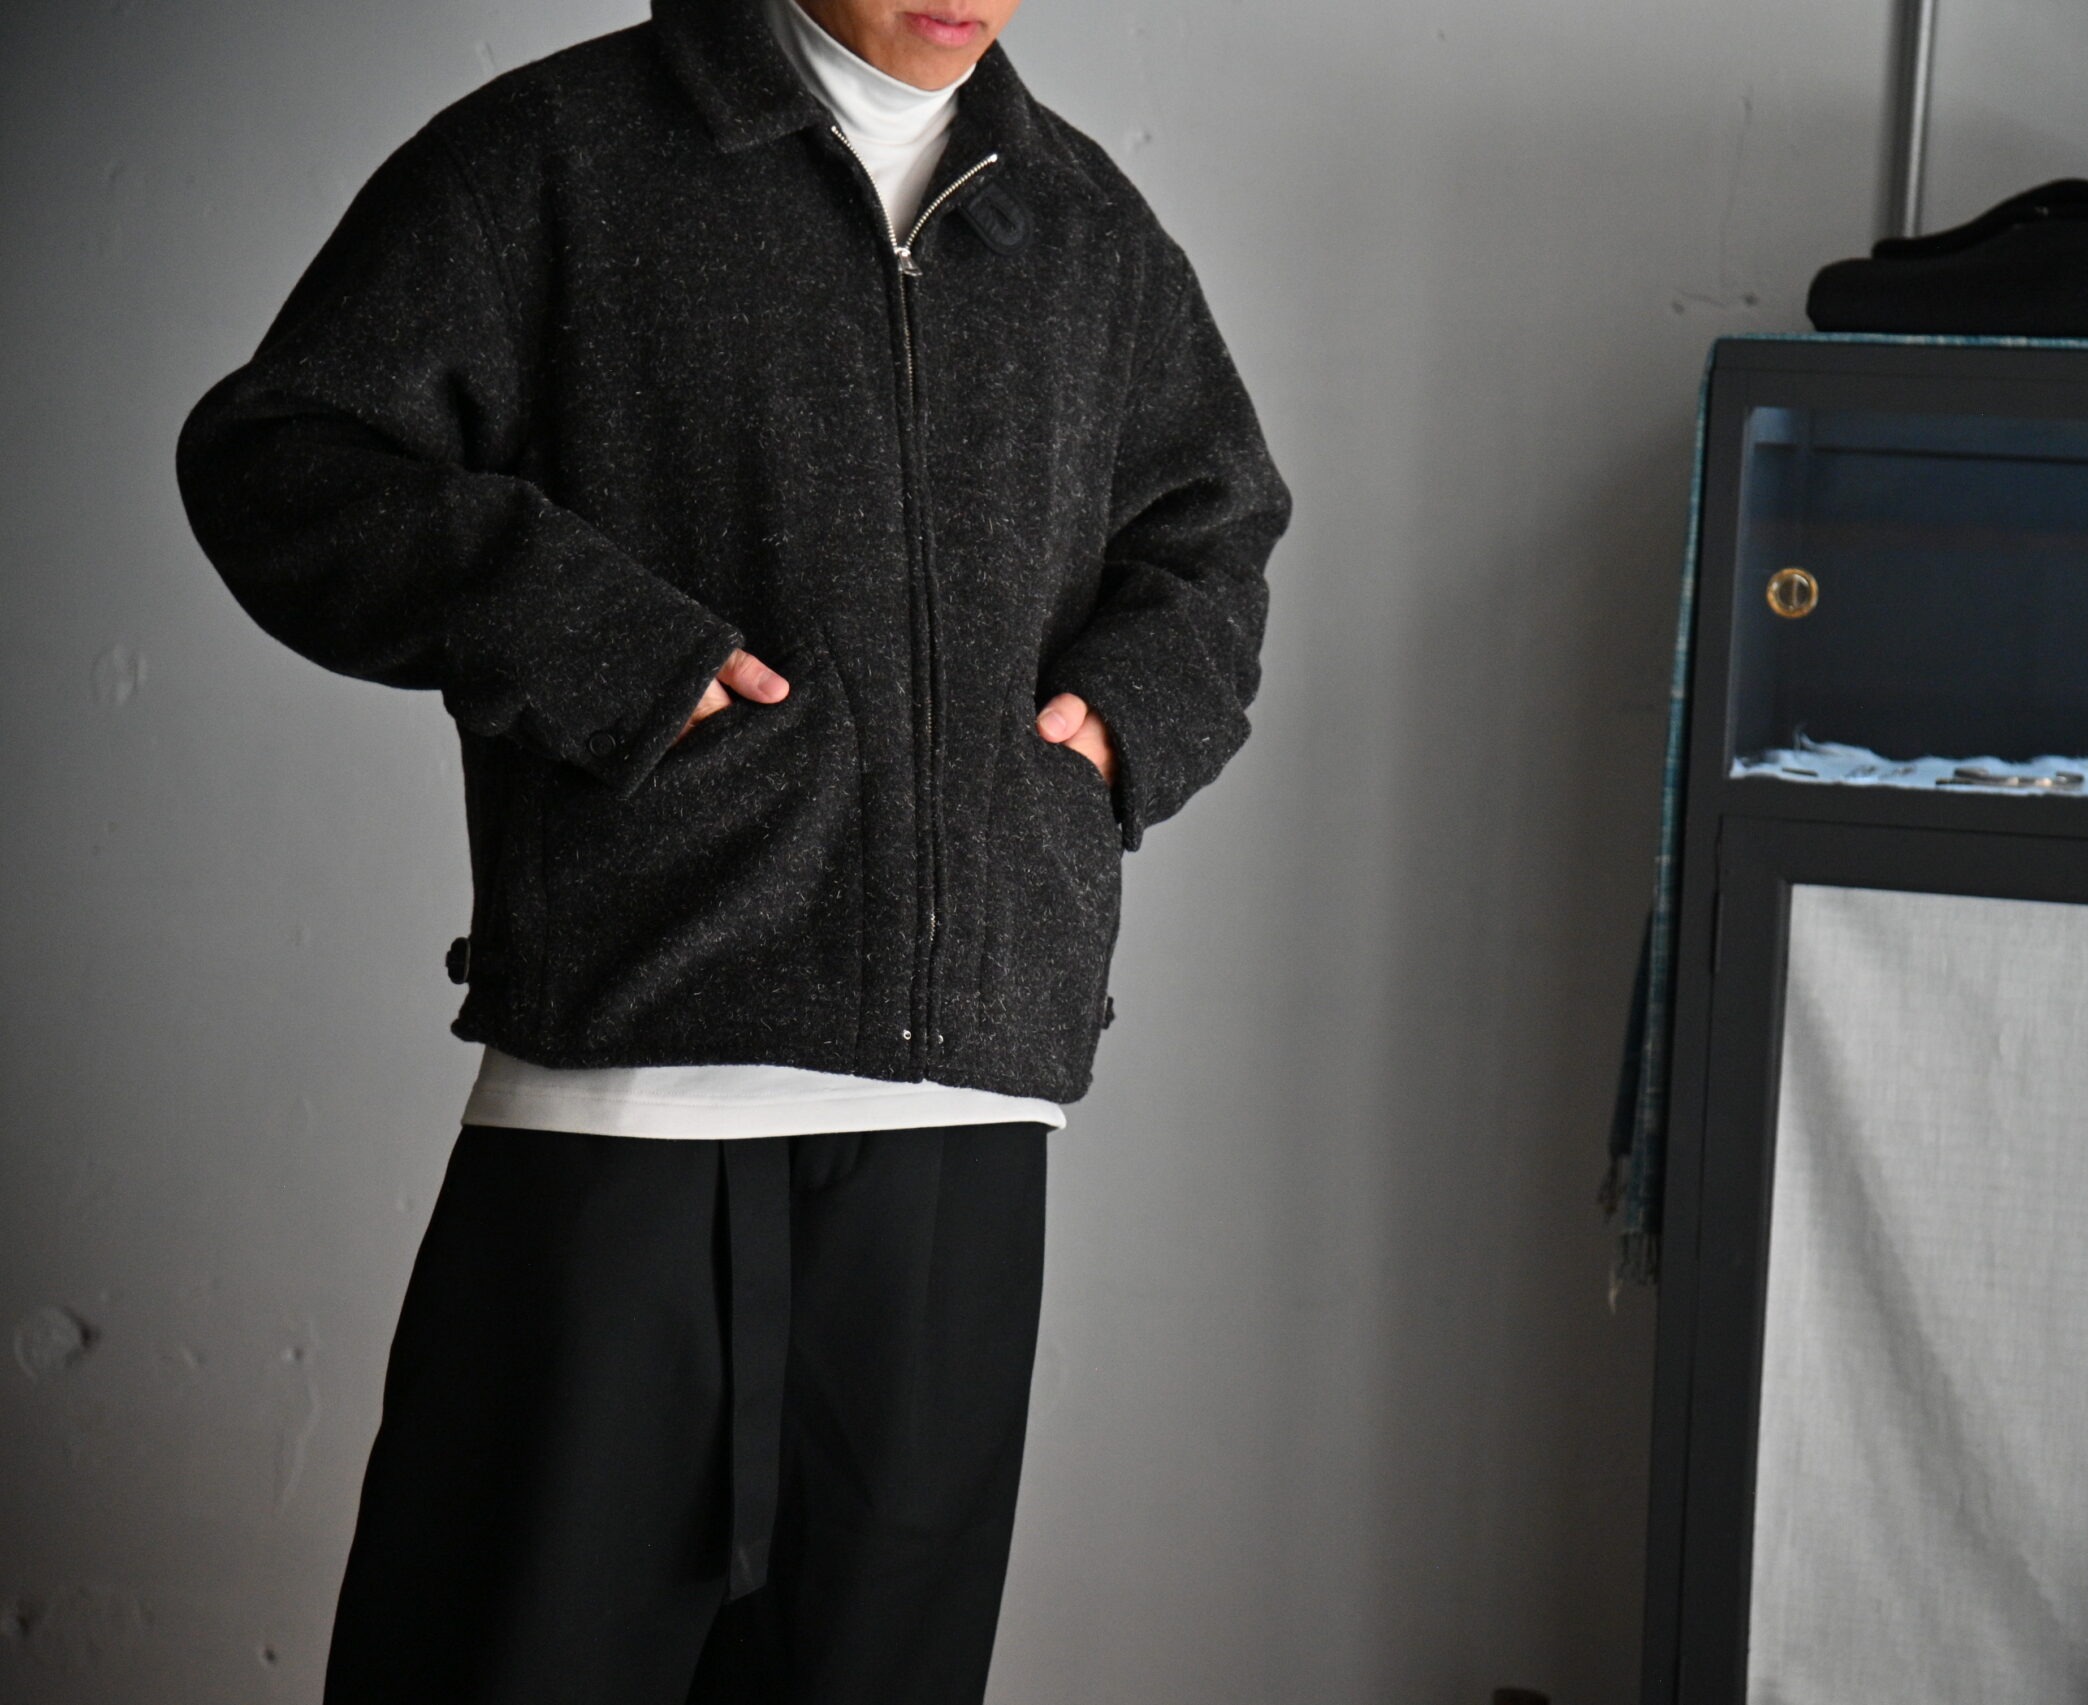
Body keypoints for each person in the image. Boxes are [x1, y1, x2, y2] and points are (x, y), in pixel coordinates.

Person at [174, 0, 1289, 1698]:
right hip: (629, 1095)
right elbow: (286, 456)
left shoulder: (1084, 227)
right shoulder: (559, 160)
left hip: (959, 1128)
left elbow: (1214, 536)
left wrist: (1120, 724)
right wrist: (610, 649)